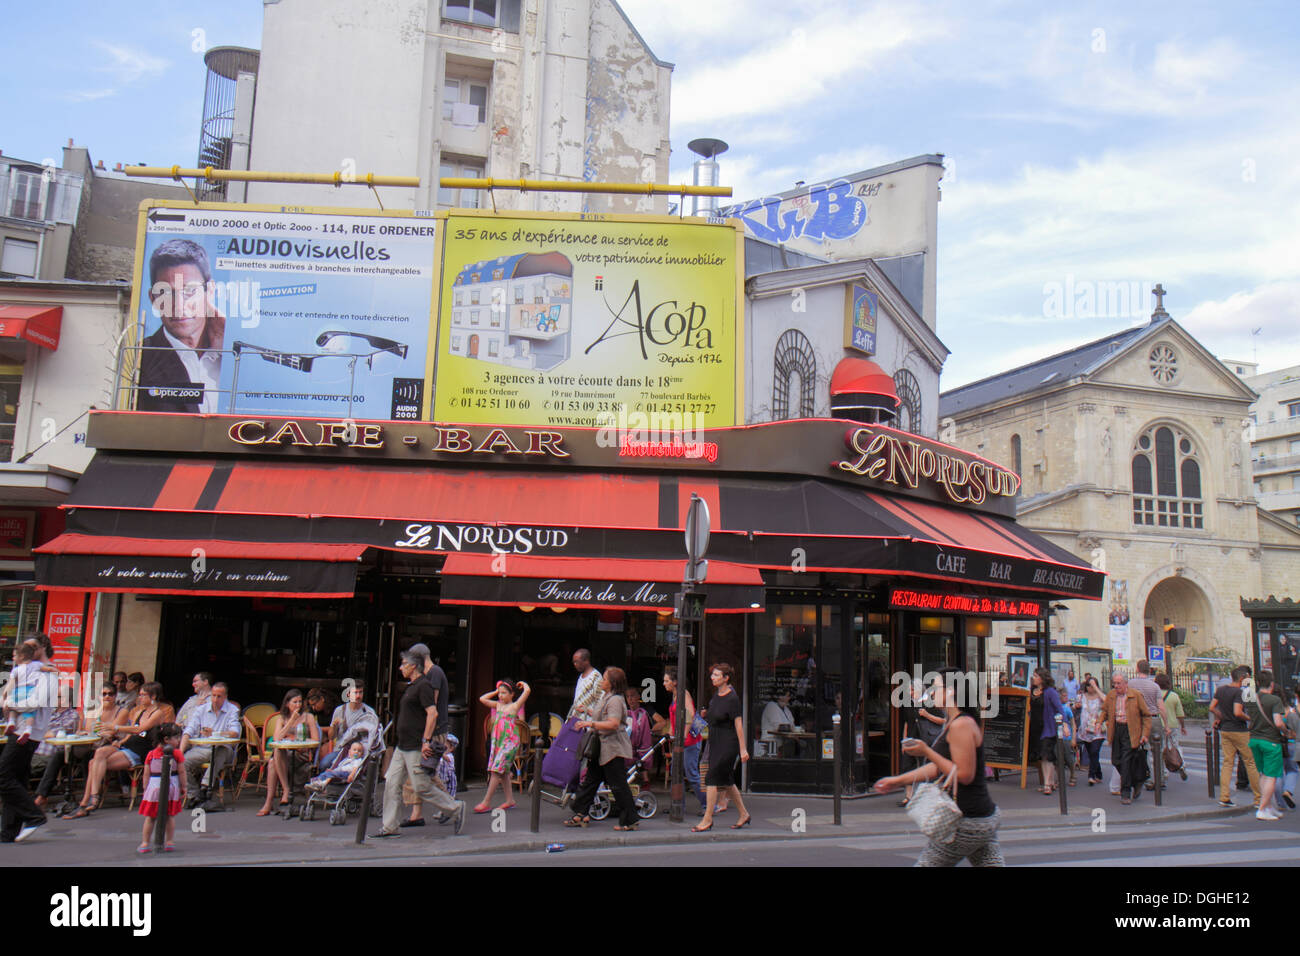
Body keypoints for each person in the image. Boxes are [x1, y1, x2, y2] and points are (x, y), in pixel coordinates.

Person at [874, 667, 1004, 866]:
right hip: (980, 816)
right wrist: (898, 780)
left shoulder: (962, 725)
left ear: (951, 691)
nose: (931, 693)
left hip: (966, 820)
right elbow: (938, 768)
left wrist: (927, 751)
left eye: (935, 687)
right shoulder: (952, 722)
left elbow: (964, 774)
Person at [372, 651, 465, 838]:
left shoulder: (424, 686)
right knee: (392, 782)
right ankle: (390, 826)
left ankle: (455, 808)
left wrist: (425, 741)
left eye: (403, 664)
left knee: (421, 785)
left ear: (413, 666)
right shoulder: (412, 686)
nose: (400, 667)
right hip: (402, 745)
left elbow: (433, 713)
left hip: (415, 745)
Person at [138, 238, 225, 414]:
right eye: (165, 292)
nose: (178, 305)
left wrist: (228, 350)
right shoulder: (139, 358)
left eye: (190, 290)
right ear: (153, 299)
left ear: (210, 291)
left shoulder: (233, 354)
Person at [66, 680, 175, 819]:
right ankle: (92, 799)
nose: (140, 697)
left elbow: (140, 729)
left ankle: (87, 802)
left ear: (153, 697)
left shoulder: (158, 713)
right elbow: (130, 733)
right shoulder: (139, 711)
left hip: (140, 750)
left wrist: (115, 727)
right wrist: (120, 741)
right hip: (128, 745)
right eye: (140, 695)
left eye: (143, 695)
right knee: (98, 754)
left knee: (93, 763)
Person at [0, 637, 59, 842]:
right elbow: (8, 690)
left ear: (43, 648)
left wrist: (11, 705)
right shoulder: (26, 670)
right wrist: (6, 701)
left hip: (29, 732)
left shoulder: (47, 672)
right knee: (15, 778)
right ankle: (9, 830)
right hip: (19, 728)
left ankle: (33, 815)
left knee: (3, 776)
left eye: (32, 647)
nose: (27, 650)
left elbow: (37, 701)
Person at [567, 667, 639, 831]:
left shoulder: (615, 700)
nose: (601, 681)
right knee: (590, 781)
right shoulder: (606, 697)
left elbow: (613, 723)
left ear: (612, 683)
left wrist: (589, 723)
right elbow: (602, 715)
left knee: (618, 785)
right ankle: (580, 813)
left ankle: (630, 819)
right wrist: (586, 711)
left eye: (604, 679)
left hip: (612, 748)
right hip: (601, 747)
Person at [35, 688, 120, 809]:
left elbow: (56, 733)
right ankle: (39, 796)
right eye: (103, 694)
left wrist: (41, 732)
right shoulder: (92, 711)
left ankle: (89, 797)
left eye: (110, 694)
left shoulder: (73, 715)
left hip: (99, 746)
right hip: (75, 746)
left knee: (87, 757)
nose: (106, 697)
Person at [691, 662, 750, 832]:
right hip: (715, 742)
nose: (712, 678)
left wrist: (743, 748)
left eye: (716, 675)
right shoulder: (716, 696)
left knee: (711, 778)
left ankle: (707, 819)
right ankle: (744, 814)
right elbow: (714, 718)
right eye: (713, 675)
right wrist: (704, 716)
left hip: (728, 744)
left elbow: (738, 725)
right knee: (727, 781)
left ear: (726, 678)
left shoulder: (733, 699)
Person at [258, 688, 319, 816]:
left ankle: (270, 802)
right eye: (294, 702)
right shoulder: (282, 718)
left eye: (300, 702)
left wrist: (298, 740)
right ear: (287, 704)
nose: (298, 705)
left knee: (272, 762)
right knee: (275, 756)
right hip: (285, 754)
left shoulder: (308, 717)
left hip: (301, 754)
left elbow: (316, 740)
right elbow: (276, 739)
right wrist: (291, 721)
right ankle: (284, 791)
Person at [475, 679, 530, 812]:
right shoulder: (498, 705)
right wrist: (495, 691)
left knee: (496, 771)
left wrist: (524, 685)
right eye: (500, 693)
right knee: (504, 772)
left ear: (512, 694)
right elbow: (482, 699)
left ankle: (486, 801)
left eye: (504, 693)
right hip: (499, 741)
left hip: (509, 742)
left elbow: (527, 691)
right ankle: (510, 800)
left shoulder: (515, 706)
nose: (501, 696)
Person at [180, 681, 240, 803]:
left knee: (221, 751)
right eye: (213, 695)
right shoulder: (201, 710)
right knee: (182, 762)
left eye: (219, 696)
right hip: (203, 748)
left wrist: (215, 733)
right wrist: (180, 752)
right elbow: (189, 730)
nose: (215, 699)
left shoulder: (232, 710)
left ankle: (205, 787)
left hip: (223, 749)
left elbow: (234, 732)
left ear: (225, 697)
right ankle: (193, 794)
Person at [1209, 666, 1260, 808]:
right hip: (1239, 730)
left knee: (1227, 763)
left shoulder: (1221, 690)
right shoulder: (1238, 692)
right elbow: (1238, 712)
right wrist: (1248, 718)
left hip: (1225, 729)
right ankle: (1258, 798)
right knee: (1250, 762)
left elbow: (1212, 707)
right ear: (1242, 678)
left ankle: (1224, 796)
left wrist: (1222, 717)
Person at [663, 665, 706, 815]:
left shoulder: (684, 694)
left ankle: (708, 805)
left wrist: (684, 735)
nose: (664, 683)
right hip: (679, 741)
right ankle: (678, 804)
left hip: (689, 741)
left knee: (691, 773)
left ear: (675, 682)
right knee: (676, 772)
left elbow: (690, 714)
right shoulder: (675, 695)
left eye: (666, 680)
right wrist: (670, 732)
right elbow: (674, 718)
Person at [1102, 673, 1151, 805]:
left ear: (1125, 683)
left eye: (1118, 683)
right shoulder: (1111, 695)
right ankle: (1136, 782)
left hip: (1131, 730)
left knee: (1125, 761)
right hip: (1117, 729)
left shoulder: (1135, 695)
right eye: (1114, 683)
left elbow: (1146, 716)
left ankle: (1125, 792)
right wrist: (1098, 722)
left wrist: (1145, 734)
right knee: (1116, 760)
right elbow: (1105, 711)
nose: (1116, 686)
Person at [1245, 669, 1287, 821]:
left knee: (1263, 774)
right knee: (1271, 777)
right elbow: (1278, 722)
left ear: (1257, 683)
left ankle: (1268, 806)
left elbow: (1249, 718)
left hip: (1254, 739)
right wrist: (1285, 730)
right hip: (1270, 741)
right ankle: (1262, 809)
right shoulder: (1275, 700)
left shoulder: (1251, 699)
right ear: (1272, 684)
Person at [137, 723, 186, 854]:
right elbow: (181, 772)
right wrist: (184, 787)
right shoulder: (176, 754)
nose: (179, 740)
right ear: (166, 740)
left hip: (153, 787)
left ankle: (145, 843)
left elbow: (146, 773)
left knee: (150, 817)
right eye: (176, 738)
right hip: (171, 786)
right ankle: (169, 841)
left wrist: (145, 788)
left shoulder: (151, 754)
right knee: (170, 816)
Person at [1128, 660, 1168, 790]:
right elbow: (1161, 707)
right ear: (1149, 670)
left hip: (1138, 720)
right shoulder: (1155, 686)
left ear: (1137, 668)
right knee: (1158, 750)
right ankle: (1160, 779)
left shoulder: (1131, 684)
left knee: (1141, 750)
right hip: (1154, 718)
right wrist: (1166, 724)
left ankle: (1148, 778)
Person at [1031, 668, 1066, 795]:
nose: (1033, 678)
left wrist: (1065, 724)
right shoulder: (1033, 691)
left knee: (1047, 755)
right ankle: (1050, 781)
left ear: (1042, 678)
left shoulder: (1050, 692)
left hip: (1048, 727)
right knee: (1043, 756)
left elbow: (1059, 709)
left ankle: (1047, 783)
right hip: (1036, 728)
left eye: (1035, 676)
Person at [1154, 674, 1188, 781]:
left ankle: (1164, 772)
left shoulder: (1155, 695)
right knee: (1174, 745)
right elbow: (1180, 714)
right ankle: (1181, 765)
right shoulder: (1174, 696)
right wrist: (1182, 726)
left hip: (1159, 724)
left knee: (1161, 749)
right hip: (1173, 725)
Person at [1078, 676, 1107, 786]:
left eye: (1093, 685)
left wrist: (1096, 687)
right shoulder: (1082, 696)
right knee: (1091, 753)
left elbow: (1106, 701)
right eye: (1089, 685)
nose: (1091, 688)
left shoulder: (1099, 697)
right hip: (1086, 730)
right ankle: (1098, 773)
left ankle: (1091, 775)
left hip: (1097, 729)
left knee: (1095, 751)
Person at [624, 687, 654, 783]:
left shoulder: (643, 713)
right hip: (628, 745)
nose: (630, 699)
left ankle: (646, 779)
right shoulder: (625, 713)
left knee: (644, 753)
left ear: (638, 697)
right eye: (628, 697)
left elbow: (660, 722)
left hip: (641, 744)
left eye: (632, 696)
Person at [568, 648, 602, 720]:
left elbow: (600, 701)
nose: (575, 664)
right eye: (574, 662)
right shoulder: (580, 677)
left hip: (588, 721)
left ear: (586, 661)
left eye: (577, 662)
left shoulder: (595, 676)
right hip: (577, 719)